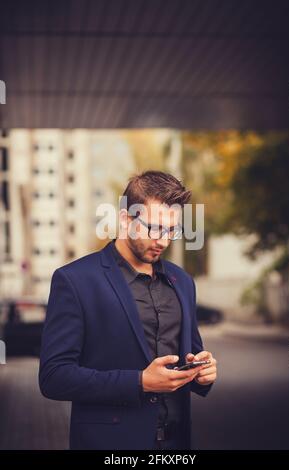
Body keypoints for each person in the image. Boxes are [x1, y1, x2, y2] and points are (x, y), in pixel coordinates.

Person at [39, 170, 217, 450]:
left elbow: (190, 354)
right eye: (154, 228)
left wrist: (202, 373)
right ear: (125, 219)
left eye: (172, 231)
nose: (163, 241)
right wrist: (139, 382)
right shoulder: (75, 280)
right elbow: (54, 377)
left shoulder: (182, 281)